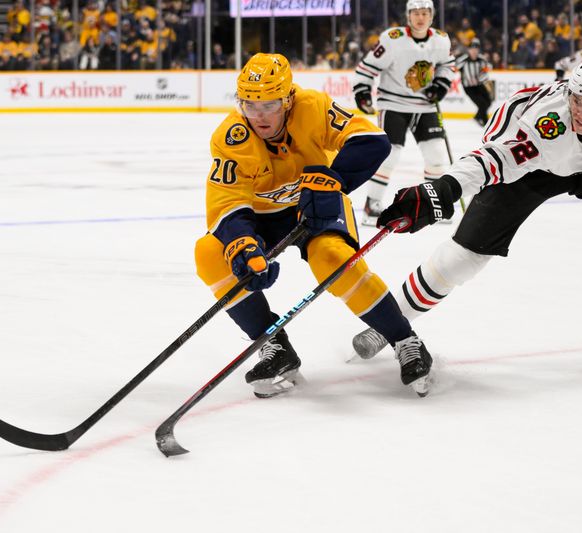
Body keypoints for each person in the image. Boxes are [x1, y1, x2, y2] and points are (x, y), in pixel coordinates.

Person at [351, 54, 582, 375]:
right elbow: (493, 159)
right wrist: (444, 188)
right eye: (577, 100)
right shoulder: (546, 125)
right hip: (535, 163)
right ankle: (393, 322)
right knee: (465, 258)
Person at [196, 53, 434, 398]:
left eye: (269, 105)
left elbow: (371, 140)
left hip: (318, 204)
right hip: (262, 216)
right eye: (249, 104)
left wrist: (333, 178)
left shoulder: (313, 107)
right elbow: (226, 201)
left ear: (288, 99)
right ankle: (274, 345)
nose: (258, 116)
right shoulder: (230, 137)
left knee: (332, 257)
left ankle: (404, 339)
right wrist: (243, 243)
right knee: (209, 253)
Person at [351, 0, 456, 226]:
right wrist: (362, 91)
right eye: (416, 13)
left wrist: (440, 85)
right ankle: (372, 205)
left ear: (432, 16)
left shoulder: (441, 39)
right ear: (408, 16)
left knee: (437, 155)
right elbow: (367, 67)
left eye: (425, 13)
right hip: (393, 103)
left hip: (425, 105)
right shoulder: (393, 39)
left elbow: (448, 65)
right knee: (390, 154)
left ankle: (431, 204)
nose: (420, 17)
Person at [455, 37, 494, 126]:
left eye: (476, 49)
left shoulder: (481, 59)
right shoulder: (463, 60)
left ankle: (477, 117)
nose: (474, 51)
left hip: (479, 85)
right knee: (482, 104)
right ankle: (486, 124)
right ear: (468, 50)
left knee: (488, 102)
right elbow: (454, 67)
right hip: (469, 87)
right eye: (472, 49)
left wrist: (485, 70)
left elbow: (489, 66)